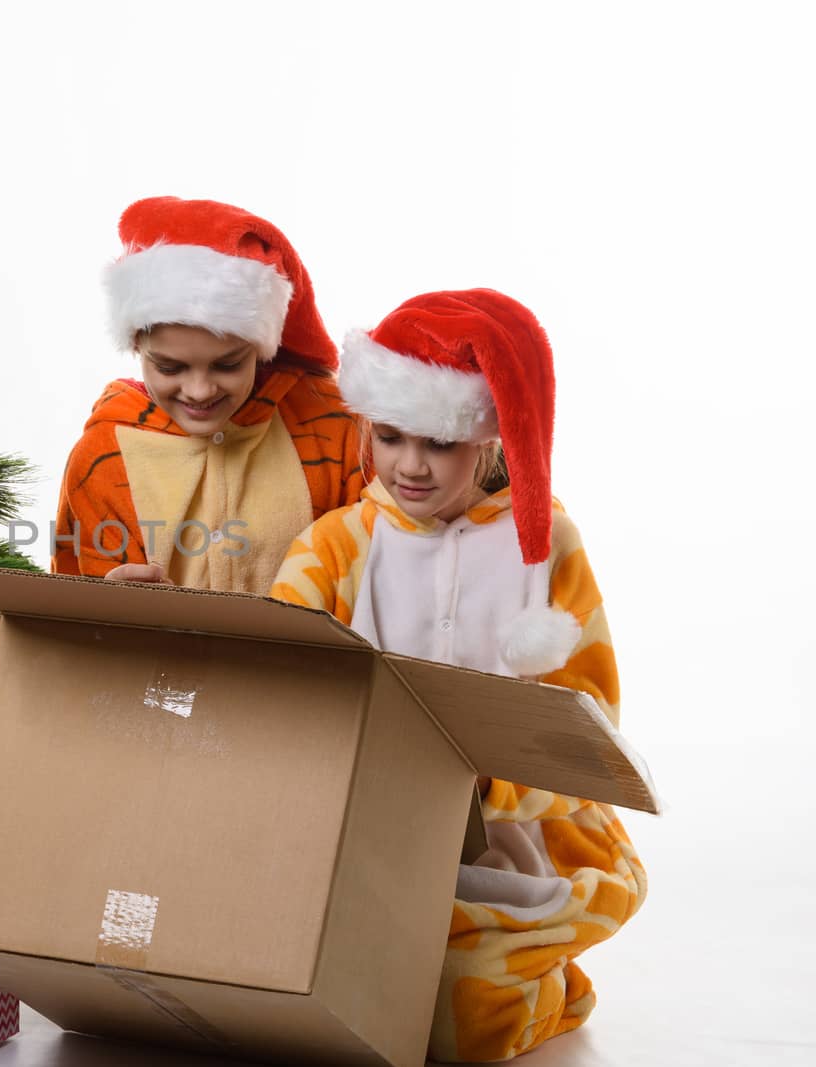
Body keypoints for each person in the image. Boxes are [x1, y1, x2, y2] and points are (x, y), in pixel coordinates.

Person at [269, 289, 645, 1062]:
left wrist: (488, 787)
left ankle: (541, 987)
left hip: (512, 832)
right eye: (391, 435)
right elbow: (280, 684)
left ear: (486, 439)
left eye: (438, 443)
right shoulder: (336, 545)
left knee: (455, 1026)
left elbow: (592, 718)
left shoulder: (547, 551)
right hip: (363, 829)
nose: (409, 465)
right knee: (327, 985)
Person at [51, 196, 365, 592]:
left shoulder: (330, 426)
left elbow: (383, 573)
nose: (199, 391)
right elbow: (67, 613)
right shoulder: (104, 453)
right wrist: (104, 602)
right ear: (136, 347)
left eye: (228, 364)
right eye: (169, 367)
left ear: (262, 347)